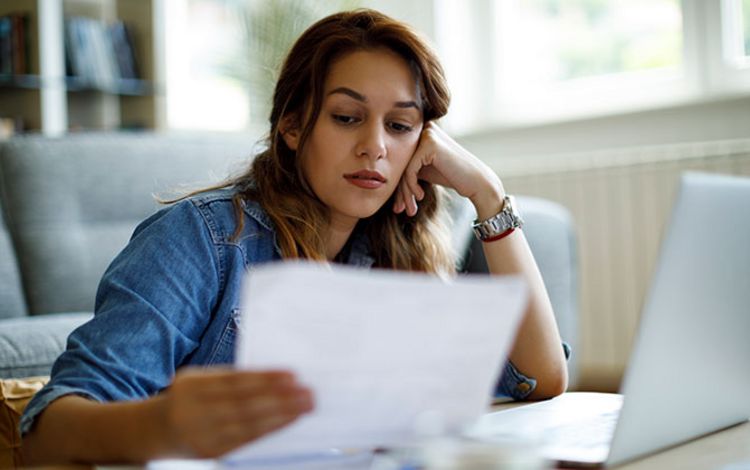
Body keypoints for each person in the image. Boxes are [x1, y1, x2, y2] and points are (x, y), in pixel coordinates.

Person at [21, 9, 568, 464]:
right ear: (291, 125)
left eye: (400, 126)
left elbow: (538, 379)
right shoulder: (204, 238)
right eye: (347, 117)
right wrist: (162, 425)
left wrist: (489, 195)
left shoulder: (395, 250)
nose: (375, 146)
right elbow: (48, 429)